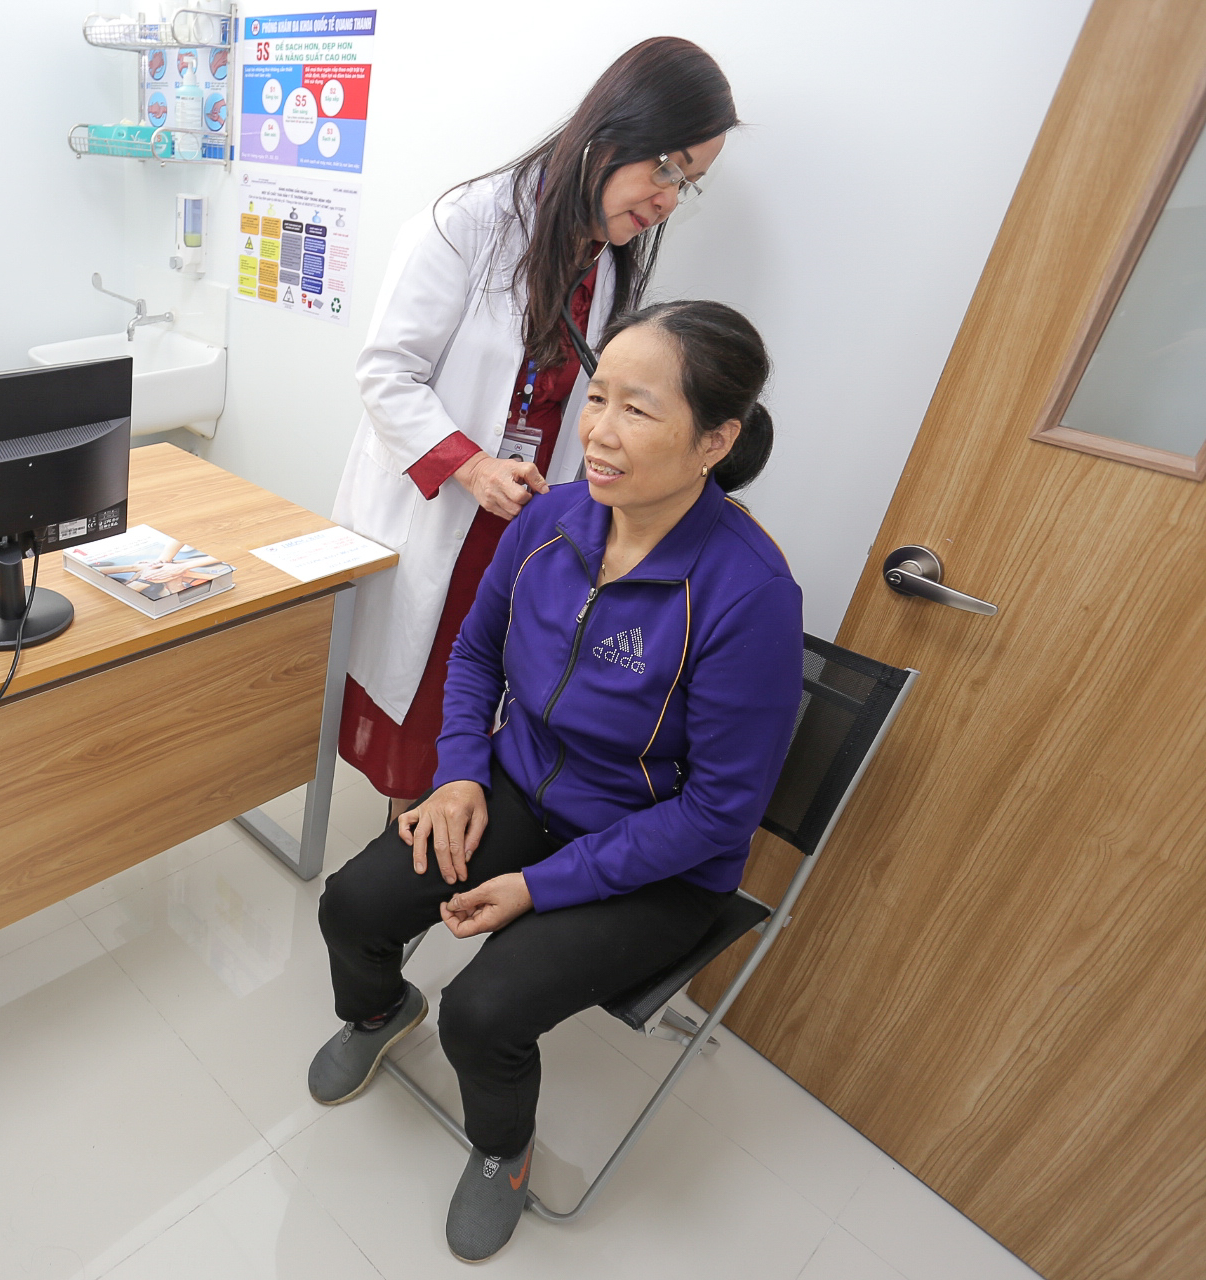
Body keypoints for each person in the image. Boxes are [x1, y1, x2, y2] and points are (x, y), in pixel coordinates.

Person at [310, 301, 802, 1262]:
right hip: (523, 789)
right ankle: (380, 1010)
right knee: (355, 905)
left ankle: (504, 1152)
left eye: (638, 409)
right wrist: (461, 775)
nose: (599, 432)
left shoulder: (749, 594)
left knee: (484, 1014)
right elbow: (474, 655)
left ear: (716, 440)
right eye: (599, 398)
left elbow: (718, 813)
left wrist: (539, 887)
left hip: (661, 860)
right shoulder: (549, 519)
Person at [332, 37, 739, 823]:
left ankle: (446, 839)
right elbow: (386, 372)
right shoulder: (469, 222)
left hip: (532, 518)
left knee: (496, 698)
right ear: (614, 130)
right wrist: (473, 466)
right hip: (446, 505)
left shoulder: (608, 259)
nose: (667, 201)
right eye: (668, 168)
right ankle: (410, 854)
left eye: (687, 185)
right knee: (428, 698)